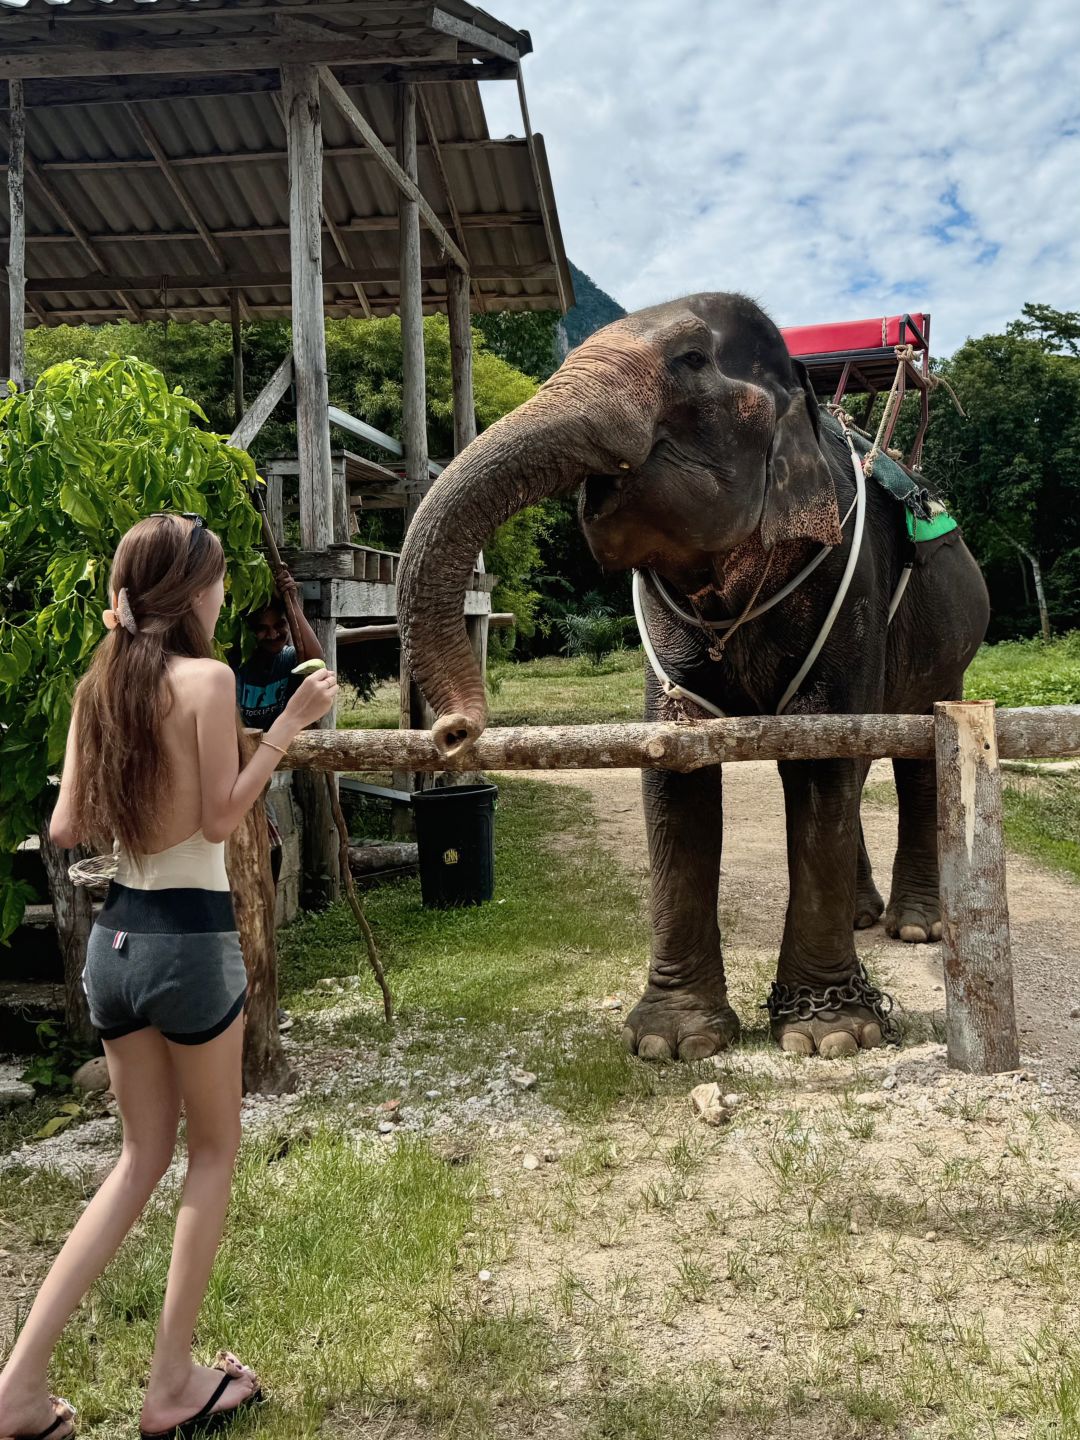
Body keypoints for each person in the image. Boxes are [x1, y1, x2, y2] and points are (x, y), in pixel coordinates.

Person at [0, 513, 337, 1440]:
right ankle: (172, 1386)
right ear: (193, 592)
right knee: (213, 1154)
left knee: (137, 1160)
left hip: (115, 947)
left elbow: (67, 828)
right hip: (190, 939)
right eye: (220, 581)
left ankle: (18, 1392)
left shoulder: (97, 685)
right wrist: (288, 730)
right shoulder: (211, 680)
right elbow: (225, 821)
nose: (225, 596)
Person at [233, 570, 324, 732]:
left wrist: (292, 603)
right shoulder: (238, 664)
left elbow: (316, 660)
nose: (273, 635)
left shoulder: (289, 660)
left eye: (279, 625)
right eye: (262, 629)